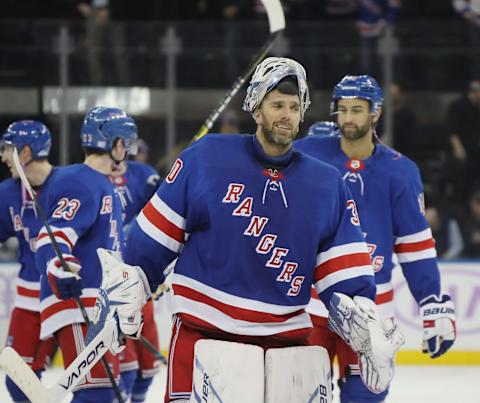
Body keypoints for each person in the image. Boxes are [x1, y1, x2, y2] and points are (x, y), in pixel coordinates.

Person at [99, 57, 406, 402]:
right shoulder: (205, 158)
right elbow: (153, 242)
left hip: (286, 346)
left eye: (293, 106)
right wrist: (129, 285)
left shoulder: (326, 184)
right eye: (276, 105)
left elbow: (344, 278)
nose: (286, 114)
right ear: (256, 111)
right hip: (204, 337)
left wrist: (365, 324)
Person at [295, 75, 456, 402]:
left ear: (376, 112)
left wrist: (431, 300)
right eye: (342, 110)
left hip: (372, 311)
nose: (348, 118)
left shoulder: (400, 171)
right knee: (300, 397)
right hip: (310, 305)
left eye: (357, 109)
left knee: (365, 397)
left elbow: (415, 246)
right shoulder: (306, 155)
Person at [34, 107, 137, 403]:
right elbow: (52, 237)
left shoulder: (102, 184)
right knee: (97, 395)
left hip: (99, 306)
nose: (127, 152)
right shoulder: (82, 181)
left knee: (104, 393)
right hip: (81, 305)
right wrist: (57, 267)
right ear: (117, 144)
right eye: (125, 144)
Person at [0, 120, 59, 402]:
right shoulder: (7, 193)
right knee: (17, 382)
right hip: (27, 301)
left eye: (7, 149)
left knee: (90, 385)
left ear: (25, 152)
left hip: (65, 302)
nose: (2, 156)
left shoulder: (68, 185)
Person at [110, 154, 161, 403]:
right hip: (112, 285)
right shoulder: (91, 180)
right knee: (126, 366)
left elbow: (166, 212)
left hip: (142, 280)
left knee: (148, 368)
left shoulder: (144, 175)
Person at [460, 187, 480, 258]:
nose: (471, 206)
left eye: (474, 204)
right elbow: (468, 241)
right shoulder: (467, 221)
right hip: (469, 257)